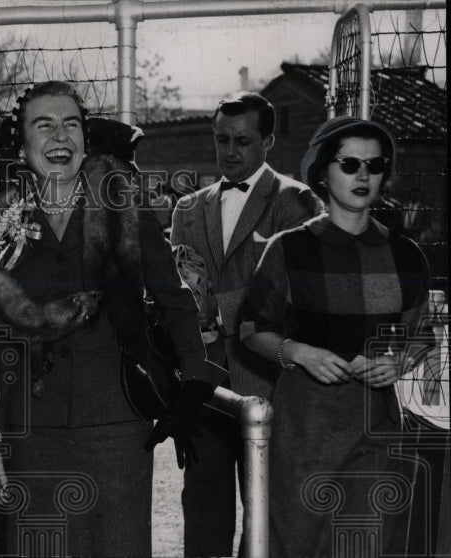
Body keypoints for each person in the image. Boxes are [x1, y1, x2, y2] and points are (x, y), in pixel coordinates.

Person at [0, 82, 224, 556]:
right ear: (21, 144)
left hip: (115, 428)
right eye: (44, 125)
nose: (60, 136)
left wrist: (194, 381)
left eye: (71, 124)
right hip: (30, 431)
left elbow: (175, 300)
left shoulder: (123, 210)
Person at [239, 116, 430, 557]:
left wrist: (400, 359)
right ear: (322, 172)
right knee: (296, 540)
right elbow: (251, 330)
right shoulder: (289, 248)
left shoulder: (405, 255)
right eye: (349, 164)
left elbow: (424, 336)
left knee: (370, 542)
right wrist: (298, 352)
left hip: (376, 426)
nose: (363, 176)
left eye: (375, 165)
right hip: (304, 426)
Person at [169, 91, 322, 556]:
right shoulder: (188, 209)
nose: (230, 152)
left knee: (268, 510)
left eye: (242, 141)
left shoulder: (298, 203)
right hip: (206, 385)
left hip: (270, 382)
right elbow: (181, 297)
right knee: (203, 507)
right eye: (221, 140)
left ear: (268, 141)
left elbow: (300, 300)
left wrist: (219, 306)